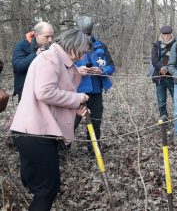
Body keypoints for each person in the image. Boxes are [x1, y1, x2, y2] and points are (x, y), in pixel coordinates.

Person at [10, 29, 90, 210]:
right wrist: (77, 99)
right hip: (34, 134)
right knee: (47, 190)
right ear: (73, 45)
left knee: (44, 189)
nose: (83, 55)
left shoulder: (57, 59)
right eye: (82, 50)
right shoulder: (51, 58)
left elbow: (49, 99)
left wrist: (74, 107)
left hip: (33, 132)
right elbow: (45, 92)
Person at [73, 15, 115, 153]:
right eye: (84, 34)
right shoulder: (69, 46)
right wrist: (77, 70)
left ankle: (94, 151)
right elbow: (61, 68)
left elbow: (111, 67)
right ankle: (62, 150)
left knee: (95, 122)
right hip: (76, 92)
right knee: (71, 123)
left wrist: (101, 71)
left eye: (88, 34)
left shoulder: (100, 46)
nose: (86, 37)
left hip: (95, 91)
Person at [12, 22, 54, 101]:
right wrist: (36, 55)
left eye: (52, 36)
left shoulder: (53, 47)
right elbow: (17, 67)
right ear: (36, 34)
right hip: (26, 90)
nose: (50, 40)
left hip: (46, 90)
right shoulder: (22, 45)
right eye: (47, 37)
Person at [150, 25, 177, 117]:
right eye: (164, 34)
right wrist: (162, 67)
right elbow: (154, 60)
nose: (166, 36)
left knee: (176, 100)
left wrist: (169, 69)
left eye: (168, 34)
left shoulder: (176, 44)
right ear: (161, 34)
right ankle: (163, 119)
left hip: (172, 77)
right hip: (160, 77)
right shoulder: (156, 45)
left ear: (171, 34)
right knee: (161, 101)